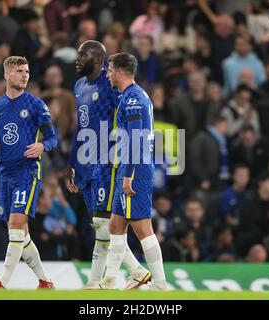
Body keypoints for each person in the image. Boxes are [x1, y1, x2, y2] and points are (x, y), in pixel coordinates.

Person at [0, 56, 58, 289]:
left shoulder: (36, 104)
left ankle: (2, 282)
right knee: (19, 231)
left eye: (26, 71)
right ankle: (45, 280)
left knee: (16, 225)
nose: (25, 75)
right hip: (5, 174)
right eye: (19, 71)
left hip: (27, 171)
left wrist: (42, 146)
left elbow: (53, 137)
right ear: (7, 75)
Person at [65, 41, 149, 289]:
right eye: (77, 53)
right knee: (99, 225)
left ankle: (101, 280)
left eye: (83, 54)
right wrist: (72, 161)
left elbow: (128, 117)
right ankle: (128, 273)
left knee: (104, 224)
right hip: (87, 161)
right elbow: (81, 127)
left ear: (99, 59)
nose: (77, 58)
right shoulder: (79, 86)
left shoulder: (111, 84)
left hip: (109, 161)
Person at [100, 52, 167, 290]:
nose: (107, 74)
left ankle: (160, 285)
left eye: (109, 70)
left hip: (135, 170)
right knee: (115, 226)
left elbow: (137, 140)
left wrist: (129, 174)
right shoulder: (130, 96)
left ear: (119, 71)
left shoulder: (133, 99)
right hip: (127, 168)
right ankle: (109, 282)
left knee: (142, 227)